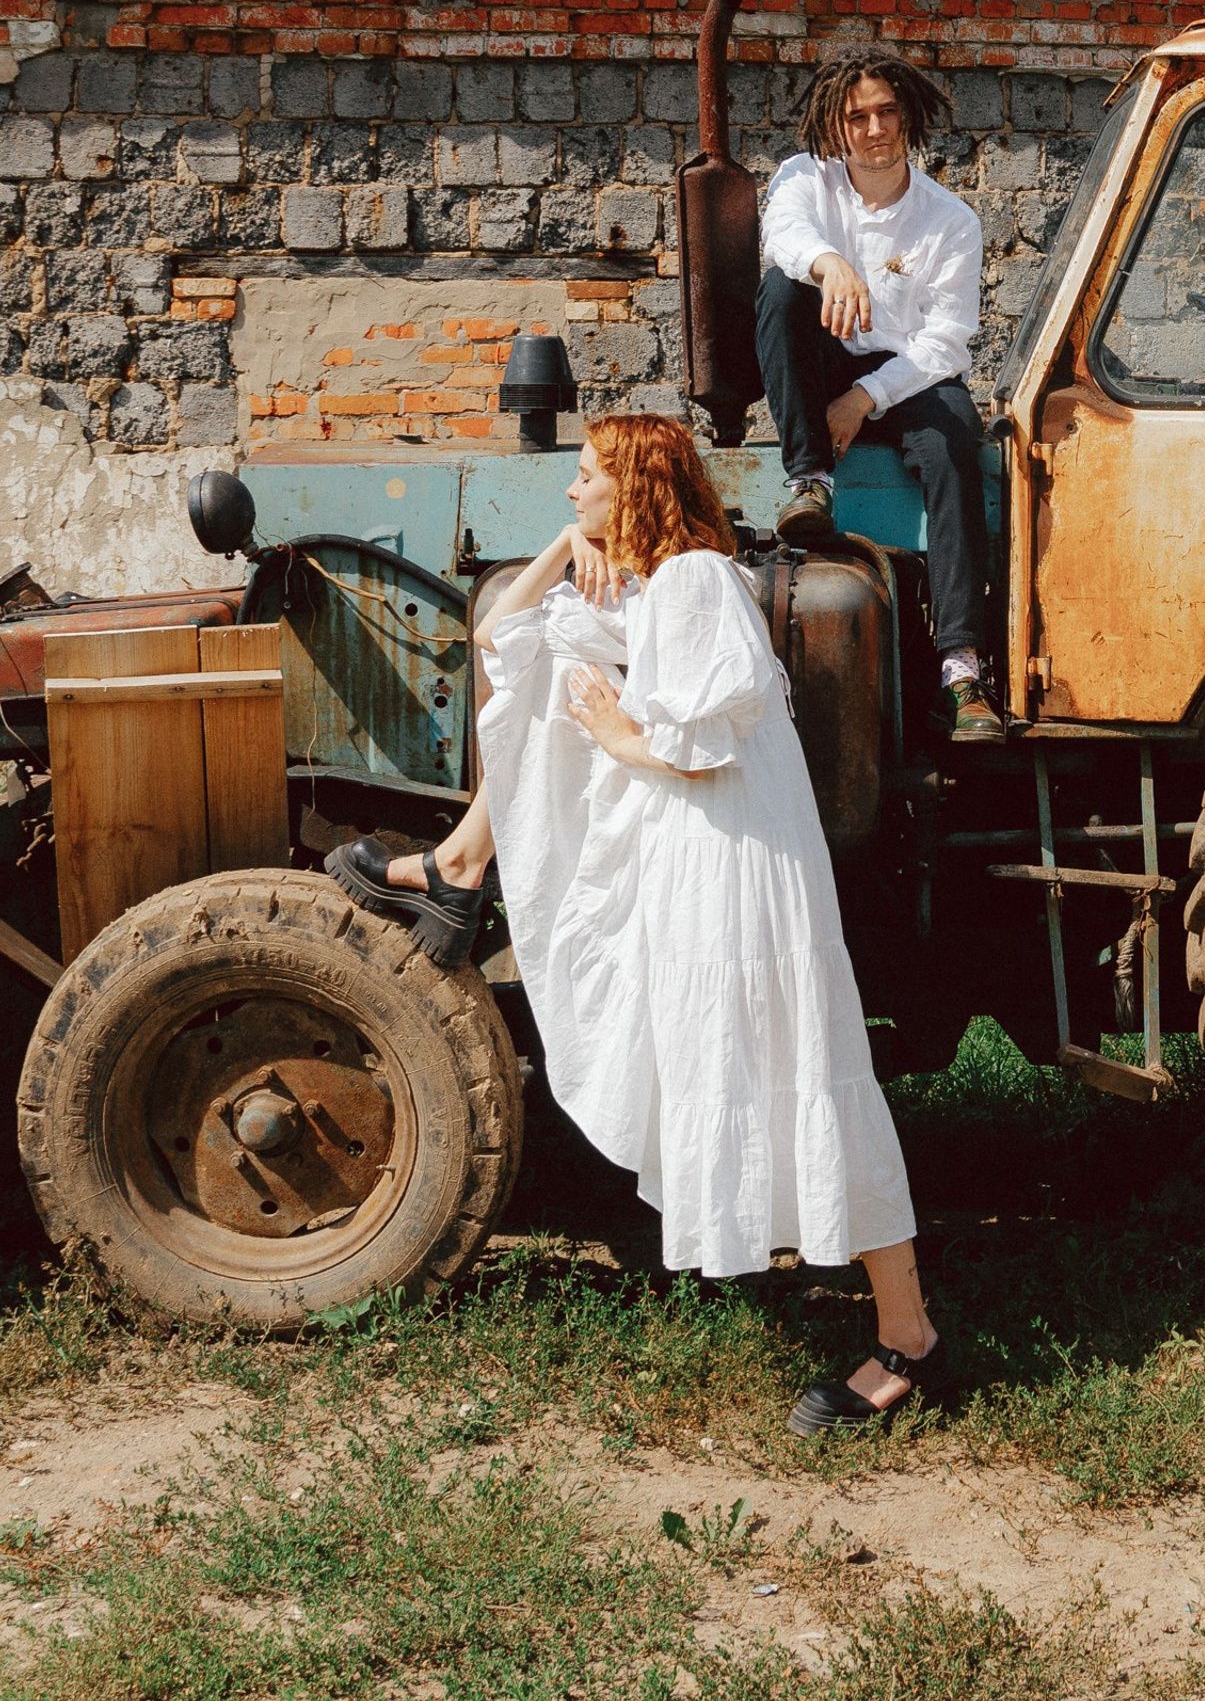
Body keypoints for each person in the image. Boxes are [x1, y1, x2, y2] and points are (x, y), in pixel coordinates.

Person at [324, 413, 940, 1433]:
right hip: (699, 858)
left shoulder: (697, 582)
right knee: (763, 1070)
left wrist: (616, 728)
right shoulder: (659, 586)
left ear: (638, 485)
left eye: (585, 480)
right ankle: (462, 859)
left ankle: (909, 1342)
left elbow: (705, 746)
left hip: (737, 866)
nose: (570, 492)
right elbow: (501, 639)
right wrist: (572, 552)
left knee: (809, 1069)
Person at [756, 47, 999, 741]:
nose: (873, 128)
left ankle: (961, 667)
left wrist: (864, 398)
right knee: (781, 288)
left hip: (908, 377)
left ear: (909, 117)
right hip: (824, 361)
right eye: (856, 115)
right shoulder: (807, 178)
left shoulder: (950, 220)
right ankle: (810, 478)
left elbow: (946, 340)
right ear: (836, 126)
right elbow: (784, 235)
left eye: (887, 111)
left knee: (955, 443)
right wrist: (830, 264)